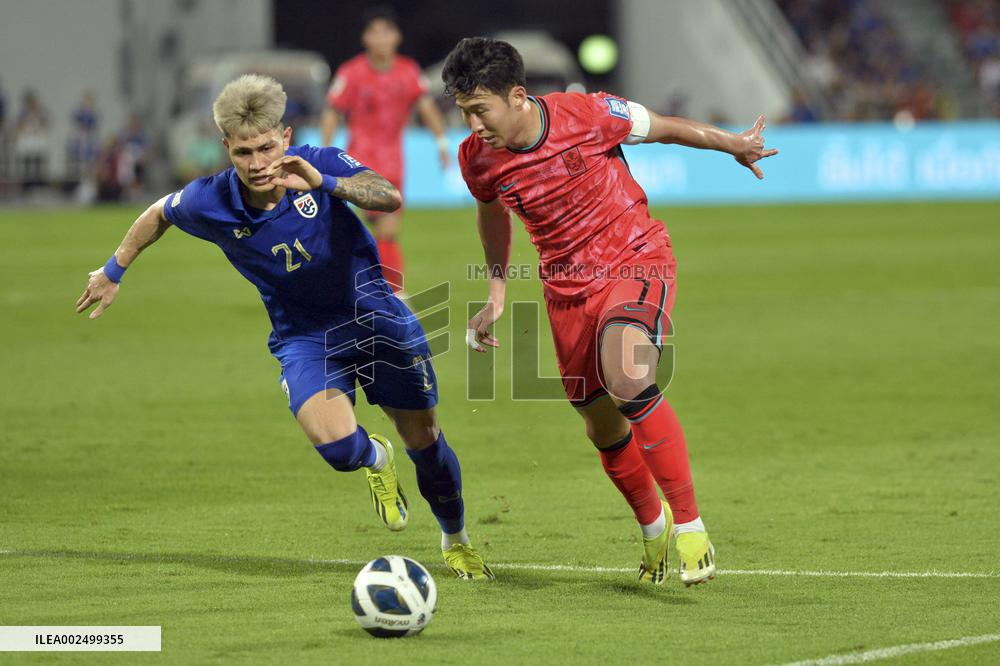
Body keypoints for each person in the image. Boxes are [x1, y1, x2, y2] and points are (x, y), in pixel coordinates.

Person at [76, 74, 493, 580]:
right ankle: (376, 460)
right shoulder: (211, 200)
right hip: (305, 338)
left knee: (425, 442)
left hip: (376, 322)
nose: (257, 164)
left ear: (286, 138)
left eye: (267, 148)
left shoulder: (318, 163)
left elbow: (387, 196)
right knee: (339, 450)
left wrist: (326, 184)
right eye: (244, 152)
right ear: (227, 148)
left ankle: (456, 539)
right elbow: (158, 212)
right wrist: (113, 270)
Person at [445, 37, 778, 586]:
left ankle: (690, 526)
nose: (474, 123)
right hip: (565, 290)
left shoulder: (589, 113)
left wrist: (733, 145)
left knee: (628, 375)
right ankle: (653, 528)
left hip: (634, 258)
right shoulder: (476, 158)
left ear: (518, 96)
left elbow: (667, 126)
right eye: (464, 112)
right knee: (601, 426)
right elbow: (493, 216)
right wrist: (497, 290)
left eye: (480, 109)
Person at [320, 5, 449, 293]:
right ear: (365, 38)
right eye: (374, 32)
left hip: (393, 164)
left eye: (386, 32)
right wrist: (325, 151)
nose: (380, 39)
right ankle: (378, 292)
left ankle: (385, 293)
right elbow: (332, 112)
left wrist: (441, 142)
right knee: (366, 232)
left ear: (397, 36)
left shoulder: (408, 71)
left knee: (384, 232)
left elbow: (426, 107)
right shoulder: (351, 73)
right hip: (356, 163)